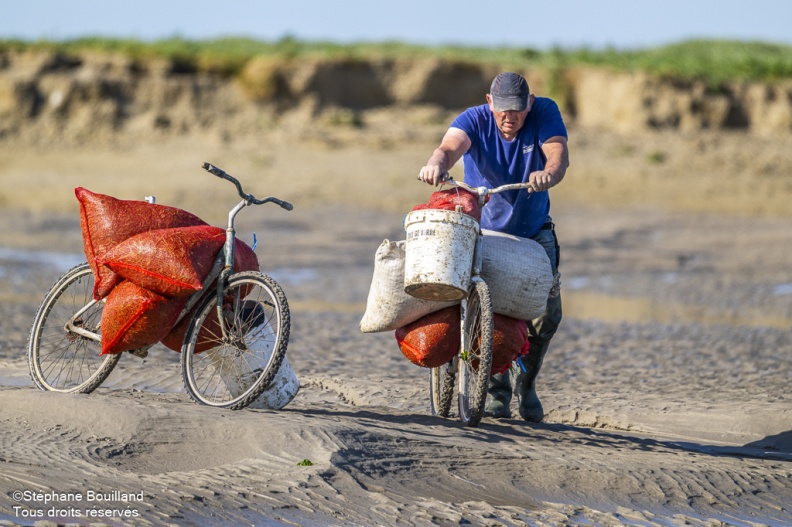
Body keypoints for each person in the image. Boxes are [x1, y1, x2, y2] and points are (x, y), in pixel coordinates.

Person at [418, 71, 569, 422]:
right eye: (502, 110)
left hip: (534, 232)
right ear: (490, 102)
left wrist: (549, 172)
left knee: (548, 315)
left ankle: (526, 384)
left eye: (516, 110)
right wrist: (436, 165)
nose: (509, 118)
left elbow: (558, 154)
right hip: (483, 233)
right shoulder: (473, 119)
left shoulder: (544, 112)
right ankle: (495, 389)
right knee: (491, 309)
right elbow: (449, 148)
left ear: (528, 105)